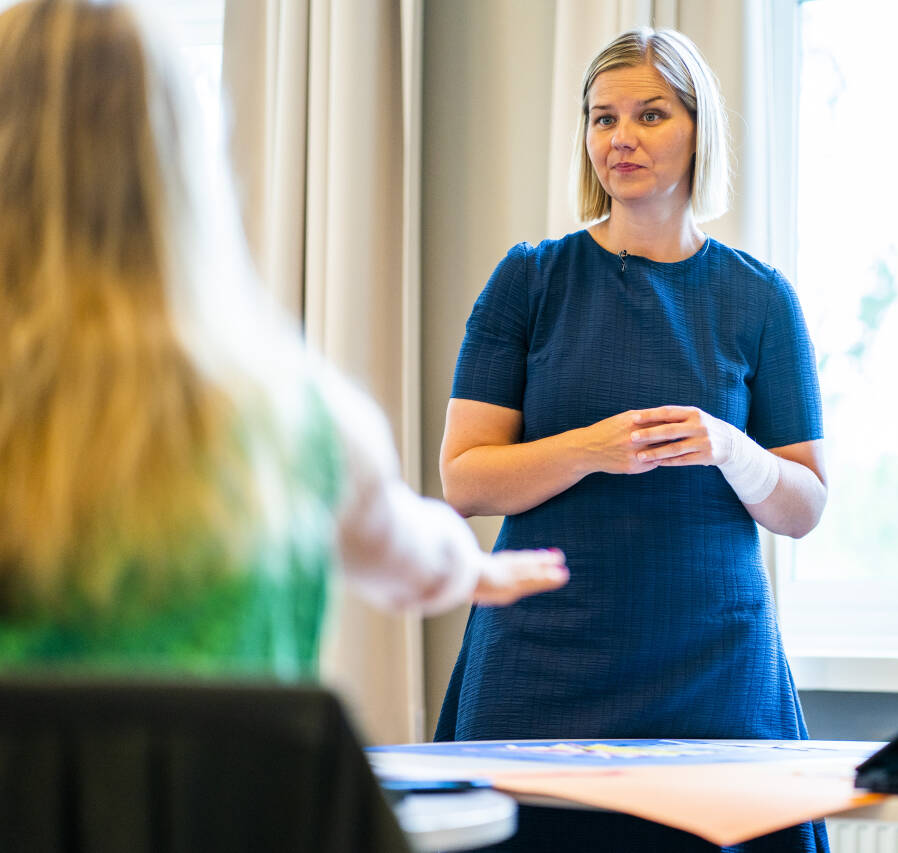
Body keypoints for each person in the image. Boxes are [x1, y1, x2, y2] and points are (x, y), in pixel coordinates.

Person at [0, 0, 567, 676]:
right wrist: (472, 565)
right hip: (234, 787)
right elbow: (416, 564)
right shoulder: (301, 426)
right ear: (184, 161)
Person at [435, 27, 828, 853]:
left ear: (697, 129)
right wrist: (588, 448)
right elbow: (464, 480)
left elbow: (803, 505)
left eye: (649, 115)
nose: (621, 138)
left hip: (715, 671)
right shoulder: (529, 280)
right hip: (540, 669)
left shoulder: (760, 301)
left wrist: (733, 448)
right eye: (602, 117)